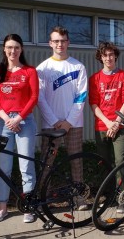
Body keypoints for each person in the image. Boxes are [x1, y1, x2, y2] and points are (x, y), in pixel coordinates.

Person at [0, 34, 39, 223]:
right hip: (2, 123)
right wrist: (7, 119)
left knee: (26, 166)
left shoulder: (29, 71)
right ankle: (2, 207)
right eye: (9, 47)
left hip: (24, 121)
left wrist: (17, 118)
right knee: (3, 167)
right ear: (4, 49)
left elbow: (34, 97)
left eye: (16, 47)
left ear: (22, 49)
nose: (13, 51)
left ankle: (28, 207)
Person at [36, 26, 89, 210]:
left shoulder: (78, 66)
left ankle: (79, 197)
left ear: (68, 42)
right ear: (50, 43)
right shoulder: (42, 68)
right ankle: (44, 199)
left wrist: (68, 122)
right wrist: (54, 121)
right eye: (56, 41)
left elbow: (81, 96)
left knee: (76, 161)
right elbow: (39, 97)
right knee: (46, 163)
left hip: (73, 124)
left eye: (63, 40)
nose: (60, 44)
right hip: (50, 124)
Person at [88, 42, 124, 213]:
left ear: (115, 56)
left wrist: (116, 122)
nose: (108, 57)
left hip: (120, 126)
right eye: (105, 55)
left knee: (120, 161)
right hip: (102, 126)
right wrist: (107, 123)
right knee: (104, 162)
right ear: (100, 57)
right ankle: (108, 195)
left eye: (111, 54)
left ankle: (123, 197)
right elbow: (93, 104)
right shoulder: (95, 78)